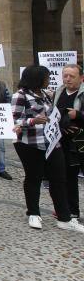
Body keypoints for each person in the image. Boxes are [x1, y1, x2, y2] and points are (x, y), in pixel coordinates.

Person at [12, 65, 84, 232]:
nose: (49, 80)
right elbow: (14, 121)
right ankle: (33, 213)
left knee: (59, 179)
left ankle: (64, 218)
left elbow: (52, 115)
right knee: (34, 177)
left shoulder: (45, 94)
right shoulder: (20, 95)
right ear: (37, 79)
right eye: (46, 77)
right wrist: (33, 121)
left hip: (52, 143)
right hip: (30, 144)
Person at [53, 64, 84, 219]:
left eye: (72, 76)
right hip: (63, 142)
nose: (68, 79)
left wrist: (78, 115)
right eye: (65, 75)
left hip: (81, 141)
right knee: (66, 177)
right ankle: (70, 210)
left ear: (81, 78)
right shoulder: (58, 92)